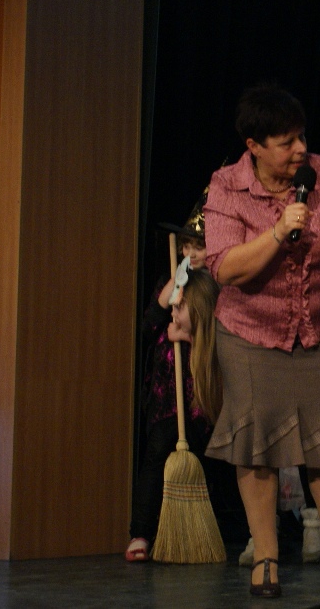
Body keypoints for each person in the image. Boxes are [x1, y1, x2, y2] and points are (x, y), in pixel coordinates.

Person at [200, 84, 320, 599]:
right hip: (250, 334)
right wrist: (276, 234)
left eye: (301, 137)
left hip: (317, 329)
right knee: (257, 449)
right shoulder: (226, 187)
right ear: (253, 145)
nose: (301, 150)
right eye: (286, 142)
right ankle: (266, 556)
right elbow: (224, 268)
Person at [125, 208, 212, 562]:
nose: (191, 254)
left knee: (207, 457)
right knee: (157, 453)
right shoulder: (170, 281)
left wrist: (188, 335)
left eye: (199, 247)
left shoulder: (214, 284)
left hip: (201, 389)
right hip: (167, 391)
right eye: (186, 246)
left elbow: (217, 333)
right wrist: (172, 287)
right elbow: (148, 327)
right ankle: (142, 533)